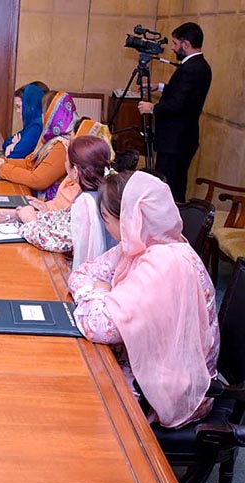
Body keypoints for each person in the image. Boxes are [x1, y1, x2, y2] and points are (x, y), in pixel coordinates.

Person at [68, 170, 219, 428]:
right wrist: (101, 293)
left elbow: (99, 325)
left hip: (175, 384)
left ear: (129, 217)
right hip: (158, 363)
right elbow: (82, 272)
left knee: (80, 396)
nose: (104, 225)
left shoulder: (162, 261)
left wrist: (103, 293)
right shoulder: (141, 242)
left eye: (106, 218)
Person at [15, 134, 118, 271]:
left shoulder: (87, 202)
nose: (64, 165)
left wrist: (30, 221)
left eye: (66, 161)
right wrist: (28, 214)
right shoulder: (103, 191)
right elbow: (65, 220)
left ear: (75, 172)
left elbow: (52, 241)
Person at [137, 22, 212, 203]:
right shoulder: (200, 65)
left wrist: (152, 108)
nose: (172, 47)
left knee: (169, 187)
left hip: (175, 141)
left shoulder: (191, 69)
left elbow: (178, 104)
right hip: (182, 139)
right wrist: (161, 86)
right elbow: (184, 94)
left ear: (186, 44)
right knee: (174, 183)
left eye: (175, 43)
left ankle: (170, 225)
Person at [0, 91, 78, 201]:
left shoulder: (62, 145)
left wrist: (2, 169)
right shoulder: (52, 139)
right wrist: (3, 162)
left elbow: (38, 180)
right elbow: (31, 163)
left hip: (50, 206)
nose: (42, 116)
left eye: (45, 112)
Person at [2, 81, 49, 159]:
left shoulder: (37, 126)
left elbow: (14, 155)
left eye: (19, 106)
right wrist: (16, 144)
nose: (17, 111)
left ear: (29, 106)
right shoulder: (31, 124)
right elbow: (6, 143)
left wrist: (16, 145)